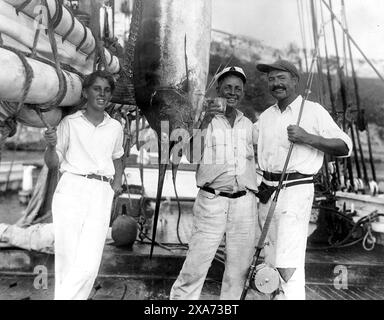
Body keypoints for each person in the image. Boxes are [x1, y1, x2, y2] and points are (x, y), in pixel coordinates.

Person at [254, 60, 352, 300]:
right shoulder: (266, 116)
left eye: (281, 78)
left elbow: (344, 146)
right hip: (267, 192)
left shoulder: (313, 111)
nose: (276, 83)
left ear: (295, 81)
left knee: (288, 264)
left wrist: (308, 137)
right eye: (271, 79)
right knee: (270, 262)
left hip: (295, 191)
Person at [170, 66, 259, 300]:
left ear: (243, 92)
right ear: (218, 89)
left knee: (238, 271)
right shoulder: (202, 119)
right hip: (212, 201)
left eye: (237, 88)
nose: (232, 92)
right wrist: (206, 118)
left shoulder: (248, 125)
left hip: (244, 204)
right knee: (195, 266)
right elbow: (191, 155)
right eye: (227, 87)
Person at [43, 70, 124, 300]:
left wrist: (117, 181)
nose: (102, 94)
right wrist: (49, 146)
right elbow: (52, 163)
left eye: (107, 90)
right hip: (71, 188)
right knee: (66, 260)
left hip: (101, 192)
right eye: (97, 89)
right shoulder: (69, 123)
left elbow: (118, 156)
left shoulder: (115, 127)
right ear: (86, 92)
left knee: (89, 264)